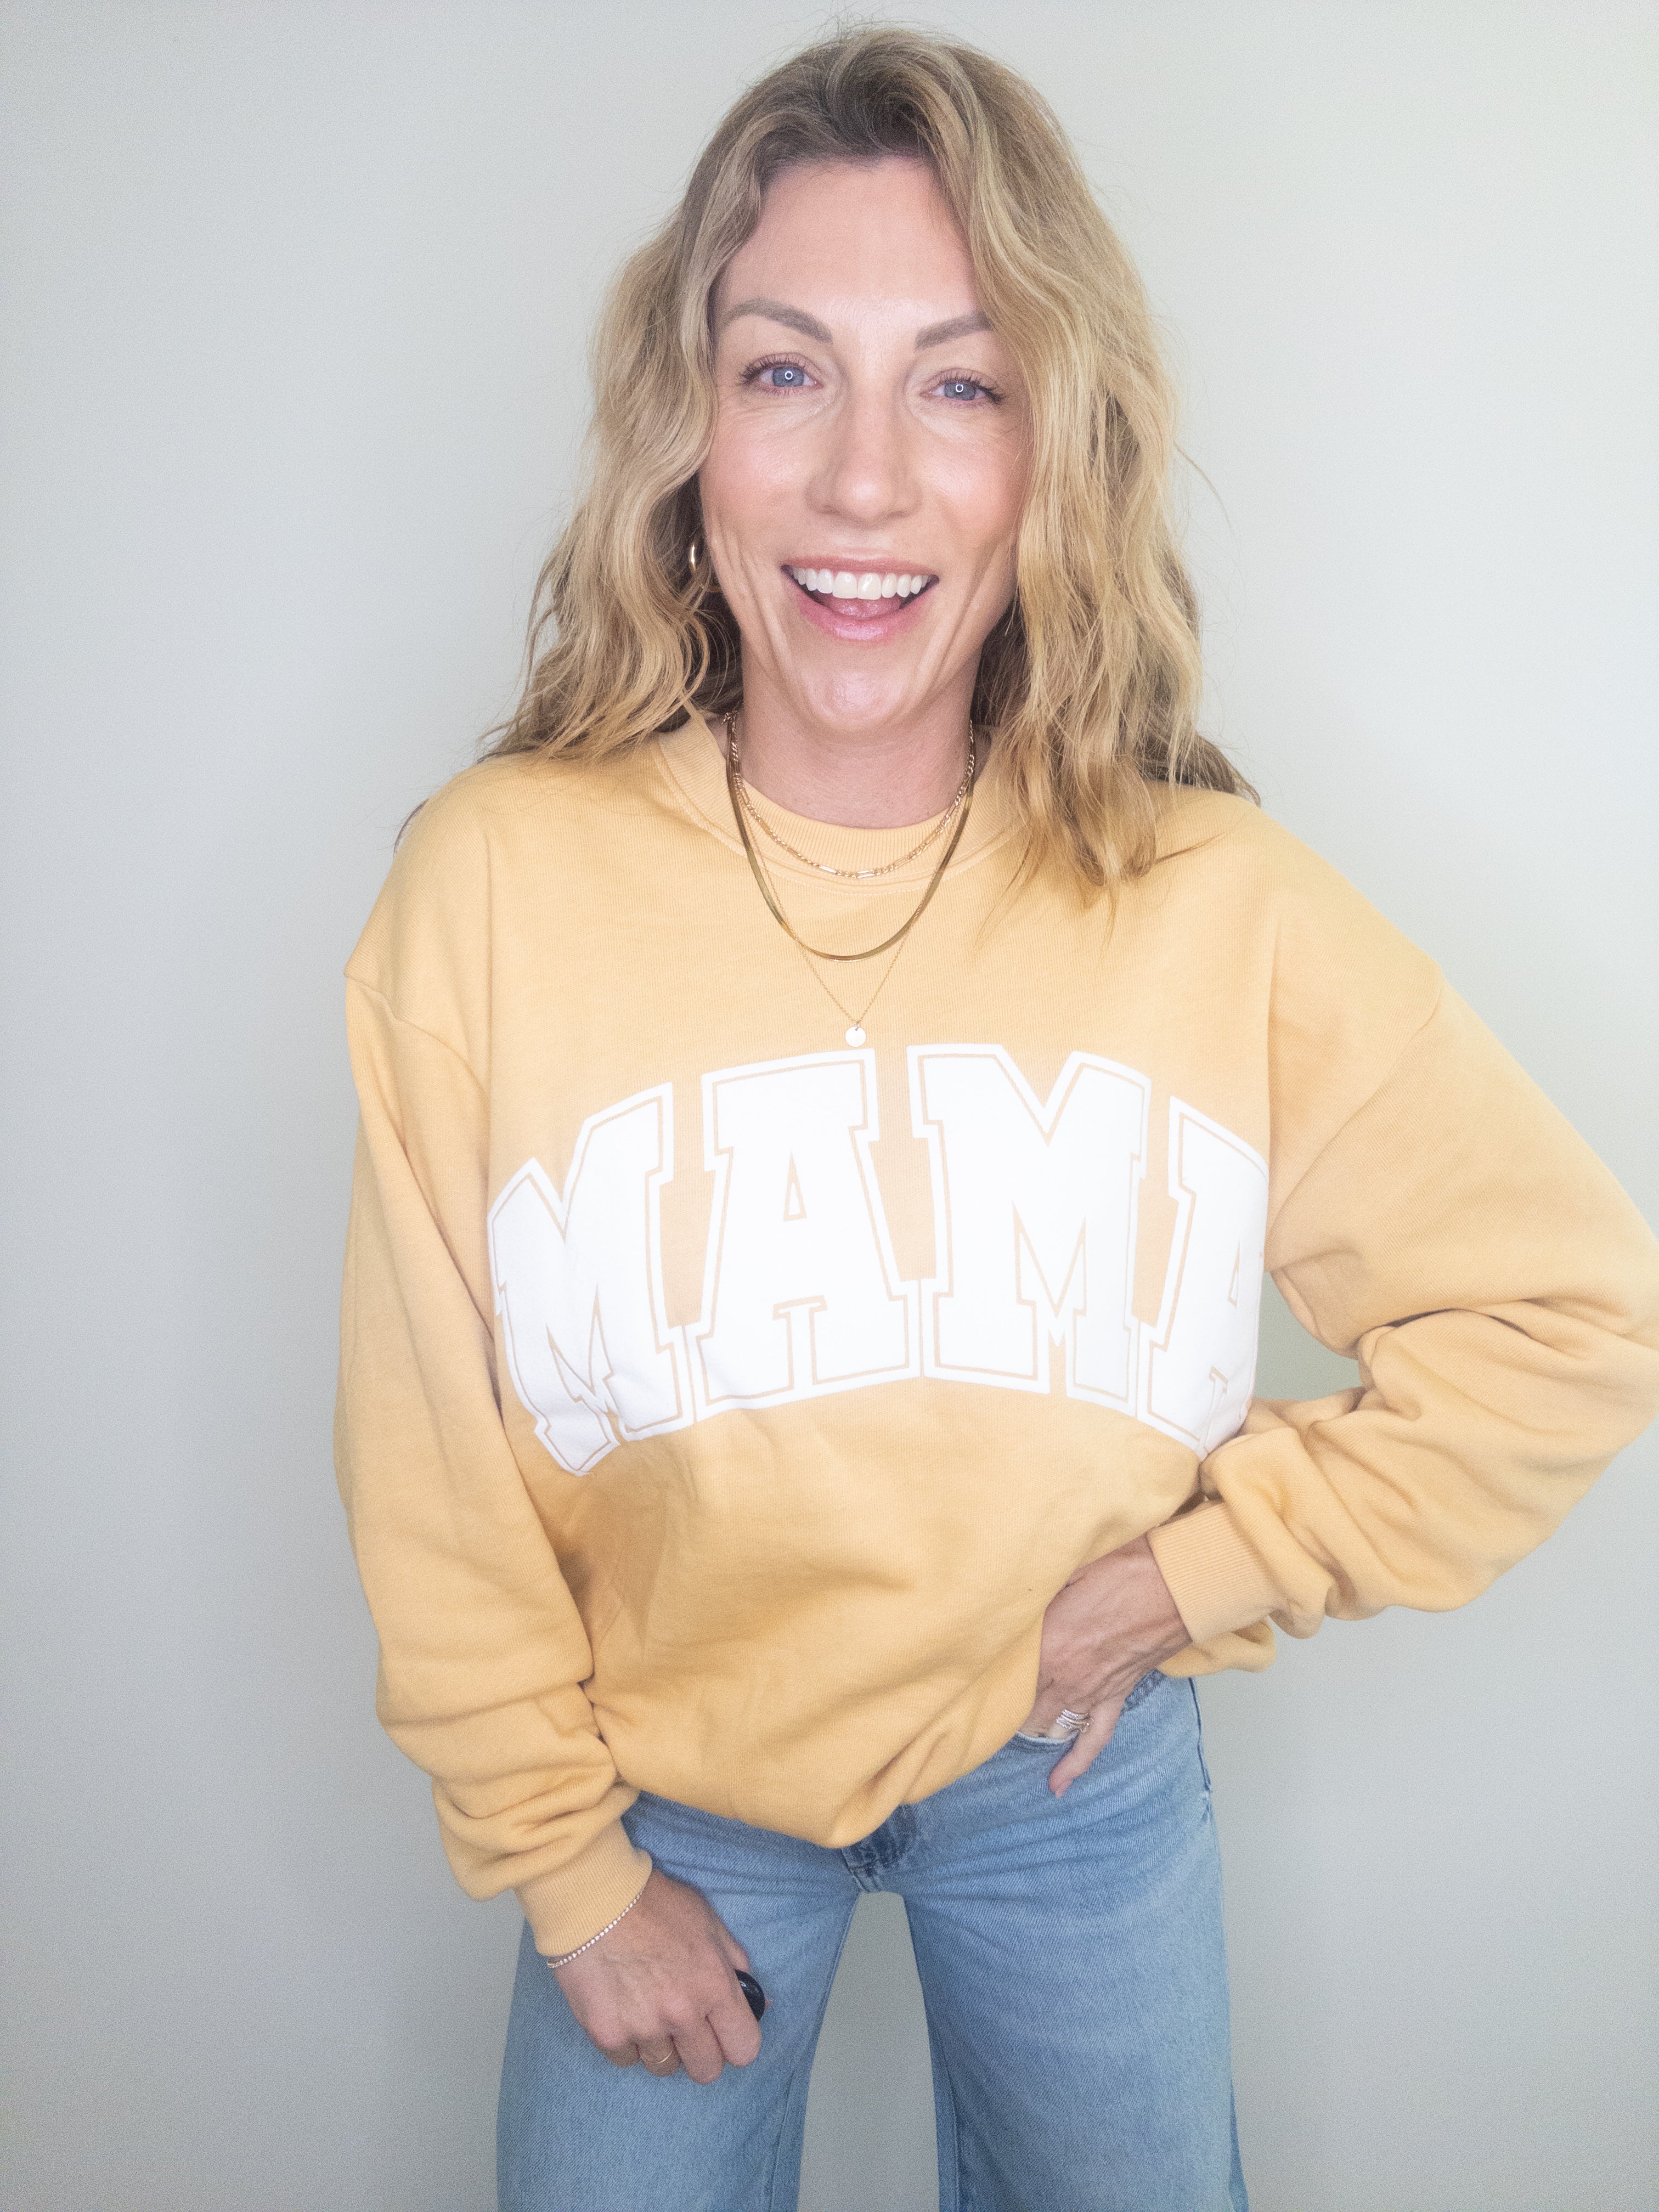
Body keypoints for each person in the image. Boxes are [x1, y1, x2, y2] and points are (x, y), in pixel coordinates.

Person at [333, 27, 1659, 2212]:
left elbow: (1573, 1318)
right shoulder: (494, 885)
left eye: (961, 386)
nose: (865, 482)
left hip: (1069, 1780)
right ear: (687, 432)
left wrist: (1192, 1579)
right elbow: (429, 1459)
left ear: (1058, 454)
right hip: (660, 1791)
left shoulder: (1213, 900)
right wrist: (562, 1866)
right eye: (786, 372)